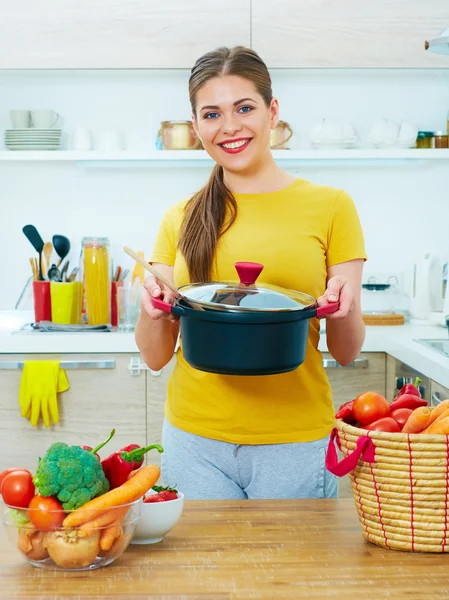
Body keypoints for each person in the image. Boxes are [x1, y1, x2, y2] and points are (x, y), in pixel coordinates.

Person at [135, 46, 367, 500]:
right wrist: (151, 308)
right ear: (196, 124)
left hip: (295, 439)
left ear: (272, 111)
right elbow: (154, 356)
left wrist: (342, 308)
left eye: (244, 108)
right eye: (211, 114)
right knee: (199, 574)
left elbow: (346, 350)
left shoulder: (332, 206)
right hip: (193, 438)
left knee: (291, 573)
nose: (230, 127)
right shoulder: (180, 216)